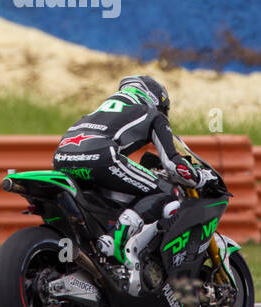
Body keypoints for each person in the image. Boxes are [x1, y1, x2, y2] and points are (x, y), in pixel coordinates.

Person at [53, 75, 215, 262]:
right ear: (156, 99)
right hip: (100, 157)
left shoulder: (101, 111)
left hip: (61, 159)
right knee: (166, 192)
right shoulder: (152, 113)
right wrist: (200, 178)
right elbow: (173, 165)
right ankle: (115, 241)